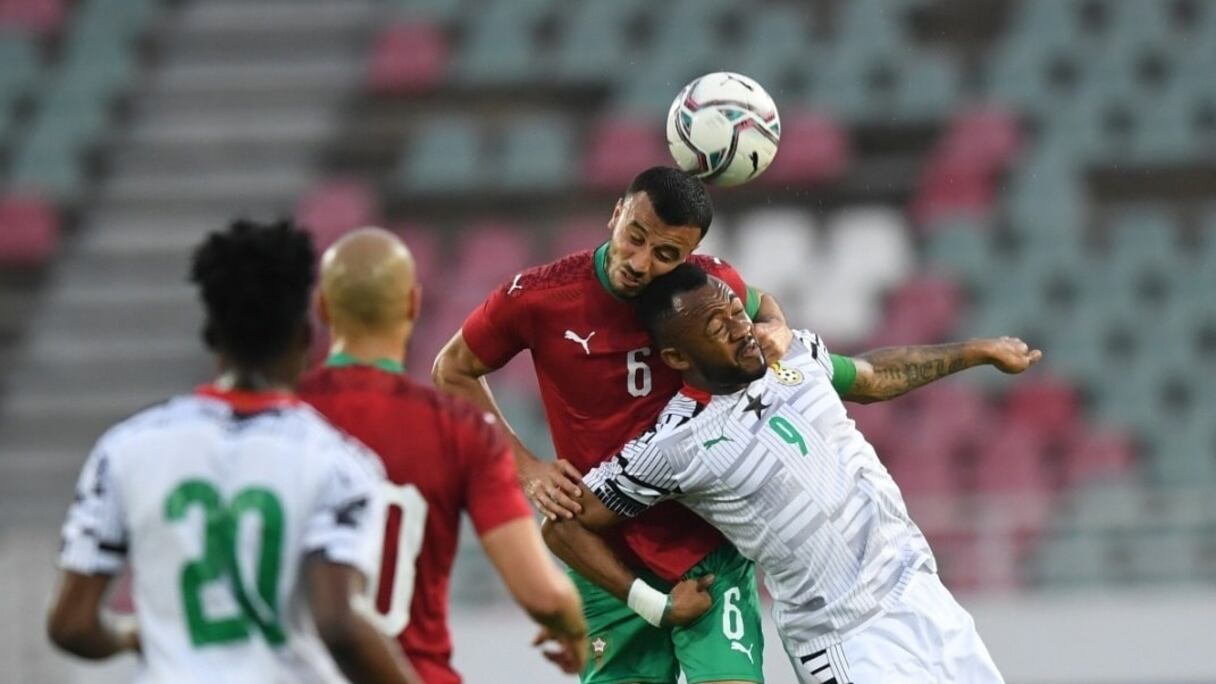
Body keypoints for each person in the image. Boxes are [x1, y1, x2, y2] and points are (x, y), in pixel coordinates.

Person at [544, 263, 1041, 683]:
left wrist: (976, 352)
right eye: (717, 328)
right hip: (843, 635)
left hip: (920, 590)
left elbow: (870, 377)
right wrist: (653, 605)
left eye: (736, 311)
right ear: (678, 358)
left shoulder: (794, 353)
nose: (740, 327)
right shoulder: (675, 444)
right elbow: (564, 525)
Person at [434, 167, 791, 683]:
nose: (641, 263)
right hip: (604, 558)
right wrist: (526, 467)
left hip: (705, 546)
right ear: (616, 214)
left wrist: (776, 327)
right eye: (635, 238)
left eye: (666, 255)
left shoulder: (703, 291)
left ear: (687, 256)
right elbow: (452, 370)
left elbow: (760, 301)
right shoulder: (538, 297)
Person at [46, 219, 420, 684]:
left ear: (210, 336)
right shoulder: (340, 465)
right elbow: (339, 625)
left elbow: (71, 624)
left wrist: (130, 636)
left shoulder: (124, 450)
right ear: (305, 336)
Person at [297, 227, 587, 682]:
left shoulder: (284, 417)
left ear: (322, 308)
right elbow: (542, 593)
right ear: (414, 304)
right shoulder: (458, 428)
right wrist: (570, 626)